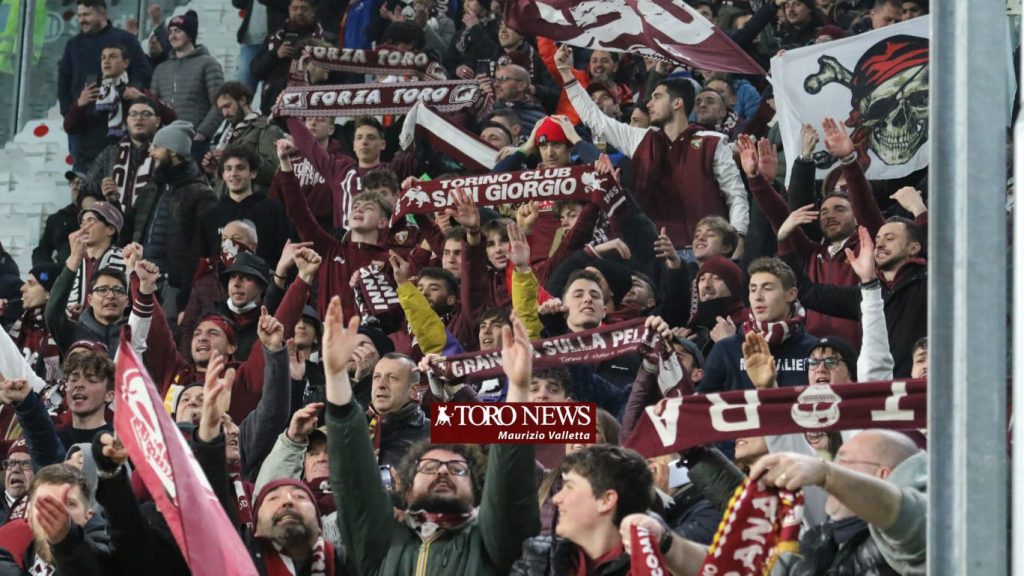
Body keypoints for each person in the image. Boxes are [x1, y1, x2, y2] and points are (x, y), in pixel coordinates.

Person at [324, 298, 539, 574]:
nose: (442, 472)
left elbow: (511, 483)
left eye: (456, 469)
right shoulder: (383, 540)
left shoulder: (489, 542)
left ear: (474, 487)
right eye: (429, 466)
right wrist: (336, 377)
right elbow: (353, 481)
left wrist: (519, 392)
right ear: (407, 486)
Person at [554, 45, 749, 257]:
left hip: (707, 251)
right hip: (656, 254)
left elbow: (735, 194)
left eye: (657, 97)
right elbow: (596, 120)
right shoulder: (641, 139)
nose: (649, 103)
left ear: (677, 103)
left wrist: (738, 237)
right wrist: (566, 72)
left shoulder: (712, 142)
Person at [751, 430, 926, 575]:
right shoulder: (815, 539)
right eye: (834, 462)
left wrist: (828, 475)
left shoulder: (903, 546)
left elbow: (906, 516)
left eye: (844, 461)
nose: (835, 466)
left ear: (882, 476)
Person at [511, 445, 656, 575]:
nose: (556, 499)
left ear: (606, 501)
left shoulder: (648, 568)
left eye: (569, 487)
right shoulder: (539, 556)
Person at [699, 257, 818, 393]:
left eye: (767, 288)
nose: (758, 297)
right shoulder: (726, 349)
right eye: (753, 290)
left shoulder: (814, 349)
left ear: (791, 294)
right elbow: (701, 405)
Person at [134, 120, 217, 311]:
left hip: (174, 290)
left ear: (172, 151)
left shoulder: (201, 194)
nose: (150, 152)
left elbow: (205, 249)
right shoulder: (151, 188)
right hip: (139, 278)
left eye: (156, 147)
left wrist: (186, 291)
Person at [62, 45, 175, 169]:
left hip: (129, 161)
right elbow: (70, 127)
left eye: (113, 57)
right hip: (92, 160)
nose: (106, 61)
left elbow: (171, 118)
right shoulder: (91, 90)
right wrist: (78, 105)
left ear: (125, 63)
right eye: (103, 58)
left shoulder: (136, 89)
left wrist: (144, 98)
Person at [193, 144, 290, 279]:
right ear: (223, 174)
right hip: (221, 294)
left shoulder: (273, 210)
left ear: (253, 173)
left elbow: (285, 254)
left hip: (265, 291)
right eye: (228, 169)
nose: (233, 173)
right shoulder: (210, 217)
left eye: (240, 168)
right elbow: (200, 261)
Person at [57, 0, 152, 138]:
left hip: (119, 122)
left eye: (86, 15)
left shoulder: (125, 39)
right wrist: (69, 112)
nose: (81, 20)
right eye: (79, 15)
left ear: (102, 14)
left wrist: (129, 100)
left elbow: (142, 73)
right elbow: (63, 81)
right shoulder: (73, 45)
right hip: (82, 124)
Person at [0, 464, 112, 575]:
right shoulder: (31, 551)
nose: (57, 512)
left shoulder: (104, 545)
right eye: (46, 504)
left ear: (88, 514)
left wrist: (66, 540)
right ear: (30, 517)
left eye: (70, 503)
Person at [149, 10, 225, 163]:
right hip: (164, 145)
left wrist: (202, 134)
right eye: (170, 31)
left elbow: (220, 104)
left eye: (178, 31)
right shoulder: (161, 69)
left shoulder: (208, 64)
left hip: (194, 143)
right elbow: (152, 106)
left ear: (190, 34)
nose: (172, 36)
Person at [88, 97, 164, 214]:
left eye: (146, 114)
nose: (139, 118)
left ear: (158, 121)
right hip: (115, 222)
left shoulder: (168, 152)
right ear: (126, 122)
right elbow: (86, 191)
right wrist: (99, 212)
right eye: (133, 114)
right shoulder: (110, 153)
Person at [208, 82, 284, 194]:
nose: (224, 113)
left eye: (227, 106)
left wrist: (239, 157)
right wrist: (214, 168)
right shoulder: (225, 133)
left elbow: (273, 172)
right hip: (227, 203)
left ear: (242, 100)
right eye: (221, 109)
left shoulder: (266, 128)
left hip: (252, 203)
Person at [251, 0, 327, 112]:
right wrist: (275, 55)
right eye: (295, 8)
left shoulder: (325, 38)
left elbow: (335, 74)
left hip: (309, 103)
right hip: (274, 103)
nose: (299, 13)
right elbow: (255, 70)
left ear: (313, 12)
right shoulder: (275, 38)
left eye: (304, 9)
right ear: (289, 10)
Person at [62, 202, 125, 311]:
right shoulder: (72, 261)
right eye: (82, 222)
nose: (84, 227)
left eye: (91, 220)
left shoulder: (126, 260)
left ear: (110, 229)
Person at [6, 264, 63, 382]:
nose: (22, 288)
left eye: (31, 284)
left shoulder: (63, 330)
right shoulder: (20, 324)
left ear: (50, 293)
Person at [32, 172, 89, 268]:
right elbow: (42, 251)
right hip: (63, 272)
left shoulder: (101, 216)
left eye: (80, 182)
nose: (75, 187)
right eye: (73, 182)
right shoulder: (56, 218)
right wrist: (46, 273)